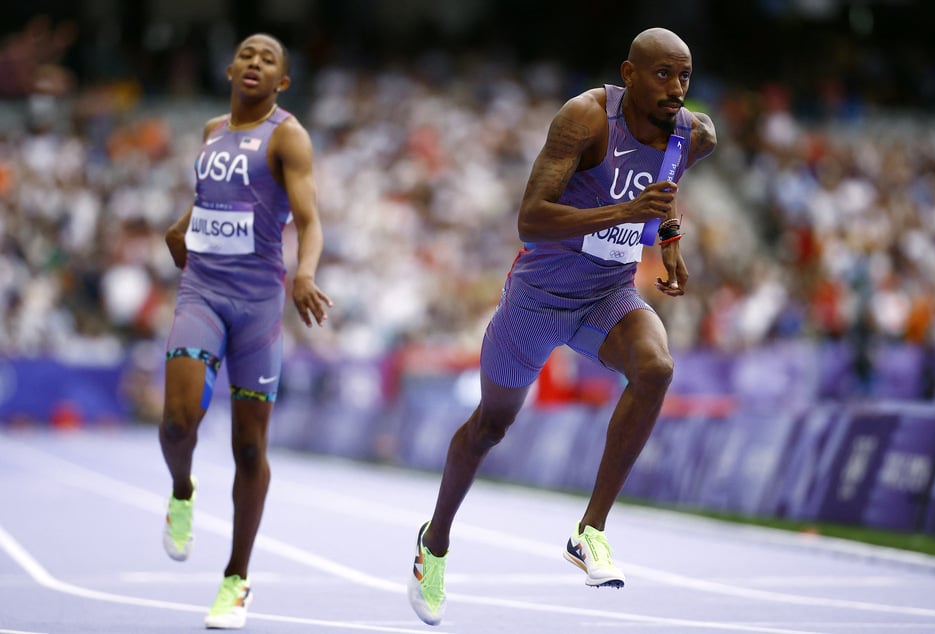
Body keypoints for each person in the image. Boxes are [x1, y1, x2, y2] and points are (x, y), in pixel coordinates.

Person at [408, 27, 716, 625]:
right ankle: (434, 541)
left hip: (608, 295)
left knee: (656, 368)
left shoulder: (694, 134)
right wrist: (629, 213)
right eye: (662, 75)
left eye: (685, 76)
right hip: (536, 297)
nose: (676, 88)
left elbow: (663, 189)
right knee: (491, 426)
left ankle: (590, 530)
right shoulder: (586, 118)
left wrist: (669, 238)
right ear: (628, 74)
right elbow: (531, 220)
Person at [159, 33, 332, 629]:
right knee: (178, 421)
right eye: (248, 55)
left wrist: (304, 275)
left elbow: (308, 220)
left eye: (270, 60)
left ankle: (236, 578)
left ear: (281, 82)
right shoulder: (211, 131)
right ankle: (182, 491)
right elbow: (214, 194)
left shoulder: (289, 135)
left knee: (249, 448)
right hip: (202, 290)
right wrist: (180, 225)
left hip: (257, 303)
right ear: (231, 68)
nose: (256, 62)